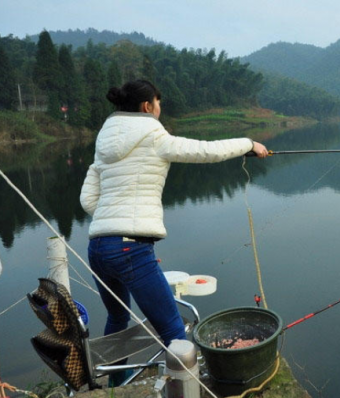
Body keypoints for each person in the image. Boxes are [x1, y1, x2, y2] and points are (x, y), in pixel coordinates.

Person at [80, 80, 268, 381]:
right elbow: (207, 151)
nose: (160, 109)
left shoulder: (103, 145)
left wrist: (115, 228)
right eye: (158, 103)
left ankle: (114, 387)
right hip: (131, 249)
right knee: (174, 332)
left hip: (98, 249)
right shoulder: (154, 135)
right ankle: (188, 388)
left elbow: (87, 199)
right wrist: (249, 144)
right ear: (147, 106)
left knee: (117, 317)